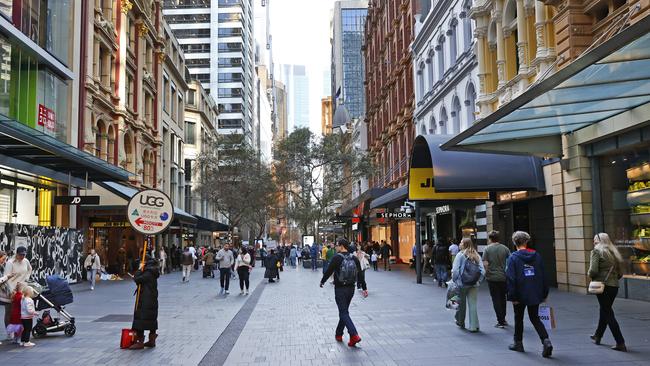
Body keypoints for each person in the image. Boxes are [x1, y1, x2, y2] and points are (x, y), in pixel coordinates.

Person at [506, 231, 553, 358]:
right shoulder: (536, 256)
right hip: (535, 292)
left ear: (515, 242)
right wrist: (544, 293)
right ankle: (546, 340)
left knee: (518, 317)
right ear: (526, 242)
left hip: (520, 293)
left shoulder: (513, 258)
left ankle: (518, 343)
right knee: (535, 318)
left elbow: (511, 278)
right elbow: (544, 275)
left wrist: (513, 296)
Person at [320, 238, 367, 347]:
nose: (336, 247)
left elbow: (329, 271)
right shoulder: (354, 258)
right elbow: (360, 274)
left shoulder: (337, 258)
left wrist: (322, 281)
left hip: (340, 289)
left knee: (343, 312)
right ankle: (339, 334)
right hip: (351, 289)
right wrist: (364, 288)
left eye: (337, 245)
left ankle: (354, 335)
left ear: (341, 246)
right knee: (344, 311)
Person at [589, 233, 626, 352]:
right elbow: (620, 273)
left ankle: (620, 342)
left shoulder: (596, 252)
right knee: (604, 310)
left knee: (608, 313)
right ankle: (598, 335)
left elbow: (593, 271)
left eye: (595, 239)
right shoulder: (614, 253)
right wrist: (613, 279)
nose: (593, 241)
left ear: (599, 241)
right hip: (614, 286)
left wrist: (589, 274)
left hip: (602, 286)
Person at [451, 238, 485, 333]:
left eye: (461, 242)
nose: (459, 243)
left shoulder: (460, 255)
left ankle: (461, 322)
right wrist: (478, 281)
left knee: (461, 304)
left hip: (462, 284)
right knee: (473, 304)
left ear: (464, 244)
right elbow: (483, 271)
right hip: (474, 284)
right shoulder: (476, 255)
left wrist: (454, 281)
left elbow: (456, 271)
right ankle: (474, 326)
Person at [129, 256, 160, 350]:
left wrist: (139, 270)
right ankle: (152, 340)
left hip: (145, 299)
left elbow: (137, 279)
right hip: (151, 298)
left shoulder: (148, 272)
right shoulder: (152, 271)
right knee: (151, 319)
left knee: (141, 318)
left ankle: (140, 341)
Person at [482, 231, 511, 328]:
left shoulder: (487, 249)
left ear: (490, 238)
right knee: (503, 298)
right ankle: (503, 318)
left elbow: (485, 263)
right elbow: (510, 262)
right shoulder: (505, 248)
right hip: (503, 277)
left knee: (496, 299)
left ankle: (500, 320)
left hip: (492, 277)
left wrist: (486, 273)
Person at [3, 246, 32, 338]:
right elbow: (6, 277)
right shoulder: (10, 263)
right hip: (11, 289)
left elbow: (29, 269)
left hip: (22, 289)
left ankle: (19, 331)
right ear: (17, 254)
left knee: (21, 311)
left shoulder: (26, 261)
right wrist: (12, 291)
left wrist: (27, 278)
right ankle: (9, 331)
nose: (22, 256)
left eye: (24, 254)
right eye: (20, 255)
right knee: (9, 311)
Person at [1, 250, 17, 342]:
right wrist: (7, 277)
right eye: (3, 259)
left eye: (5, 259)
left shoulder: (3, 266)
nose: (4, 261)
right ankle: (9, 332)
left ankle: (10, 332)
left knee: (9, 312)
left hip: (5, 293)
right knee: (8, 312)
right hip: (3, 293)